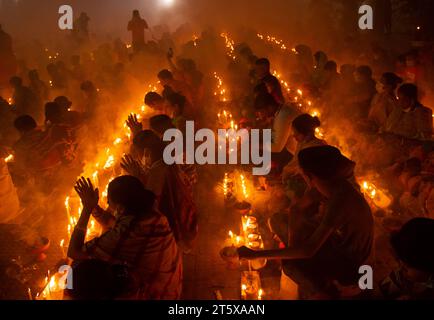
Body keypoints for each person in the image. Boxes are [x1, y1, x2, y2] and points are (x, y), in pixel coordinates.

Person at [238, 146, 374, 299]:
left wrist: (256, 254)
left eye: (301, 173)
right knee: (277, 220)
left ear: (309, 175)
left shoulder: (340, 200)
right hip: (335, 240)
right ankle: (296, 253)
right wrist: (293, 238)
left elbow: (308, 250)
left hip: (350, 258)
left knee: (292, 265)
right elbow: (297, 209)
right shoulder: (327, 184)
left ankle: (328, 292)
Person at [67, 176, 182, 300]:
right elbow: (114, 223)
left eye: (109, 201)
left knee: (80, 270)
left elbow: (74, 252)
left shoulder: (129, 232)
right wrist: (94, 208)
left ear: (120, 208)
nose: (107, 204)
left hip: (158, 293)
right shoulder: (150, 213)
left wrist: (87, 209)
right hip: (171, 286)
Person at [121, 131, 198, 250]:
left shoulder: (158, 170)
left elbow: (148, 203)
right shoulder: (165, 160)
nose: (138, 157)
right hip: (187, 217)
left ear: (147, 152)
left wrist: (135, 176)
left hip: (172, 228)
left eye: (138, 153)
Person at [380, 218, 434, 299]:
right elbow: (382, 290)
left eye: (407, 266)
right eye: (399, 261)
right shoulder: (403, 275)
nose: (401, 268)